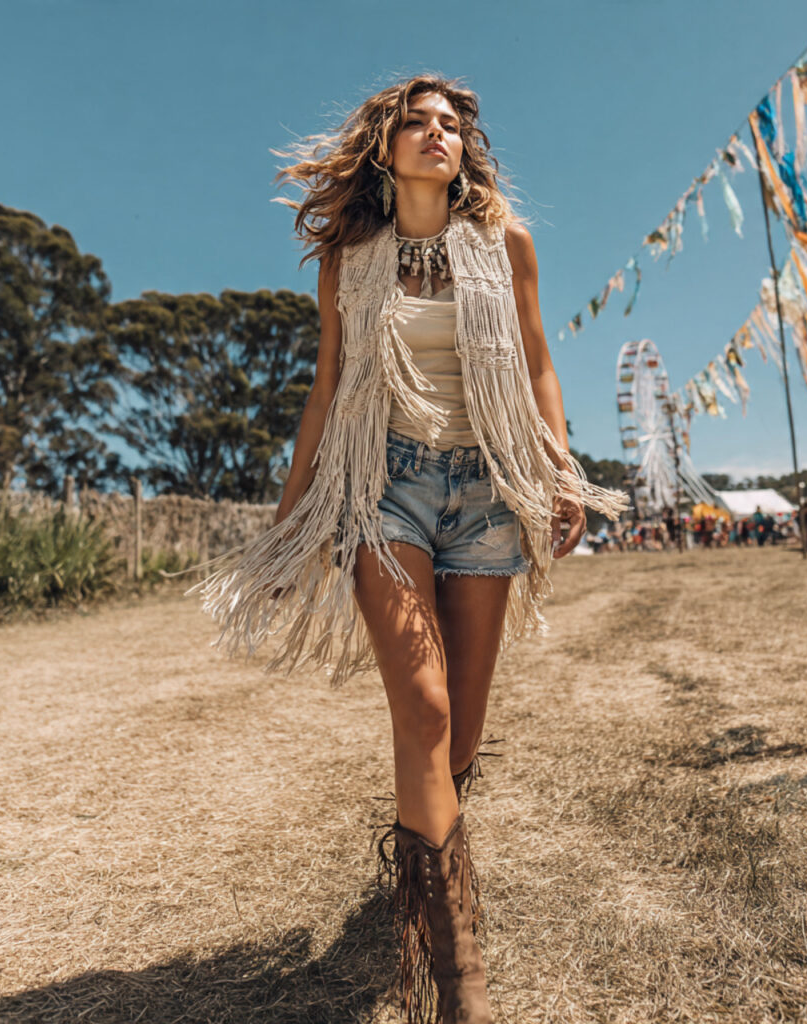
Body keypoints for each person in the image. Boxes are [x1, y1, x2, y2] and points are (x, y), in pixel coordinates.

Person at [192, 76, 629, 1024]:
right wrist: (288, 514)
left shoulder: (503, 242)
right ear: (384, 148)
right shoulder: (351, 258)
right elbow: (327, 387)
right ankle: (455, 969)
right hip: (381, 487)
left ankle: (423, 872)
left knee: (458, 736)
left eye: (453, 127)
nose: (439, 136)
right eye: (419, 124)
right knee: (423, 708)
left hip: (487, 492)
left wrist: (559, 467)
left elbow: (540, 358)